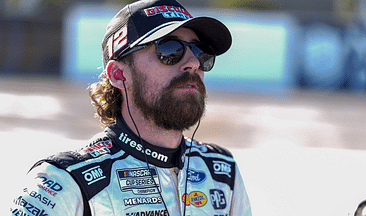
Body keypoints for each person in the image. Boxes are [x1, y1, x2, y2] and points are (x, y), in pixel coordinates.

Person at [10, 0, 252, 215]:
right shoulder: (65, 182)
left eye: (200, 52)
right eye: (170, 50)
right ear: (118, 74)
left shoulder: (222, 171)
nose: (193, 63)